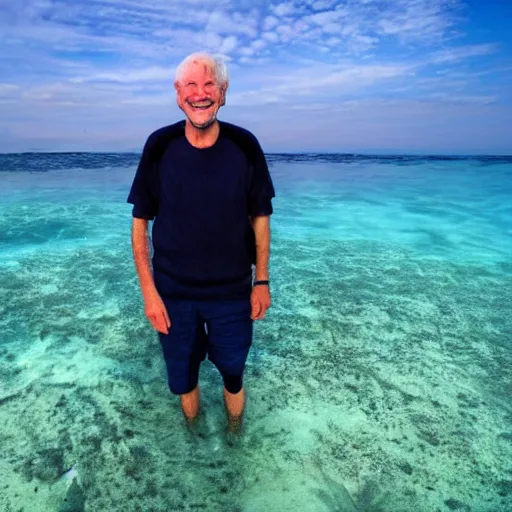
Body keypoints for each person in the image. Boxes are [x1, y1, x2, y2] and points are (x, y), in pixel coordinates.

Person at [127, 52, 275, 435]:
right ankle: (192, 437)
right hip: (172, 294)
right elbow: (140, 222)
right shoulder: (160, 145)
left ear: (223, 93)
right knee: (184, 377)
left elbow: (260, 217)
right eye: (191, 85)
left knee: (233, 373)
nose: (200, 93)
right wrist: (149, 294)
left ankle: (235, 432)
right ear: (178, 94)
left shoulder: (244, 145)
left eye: (210, 84)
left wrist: (262, 281)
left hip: (232, 294)